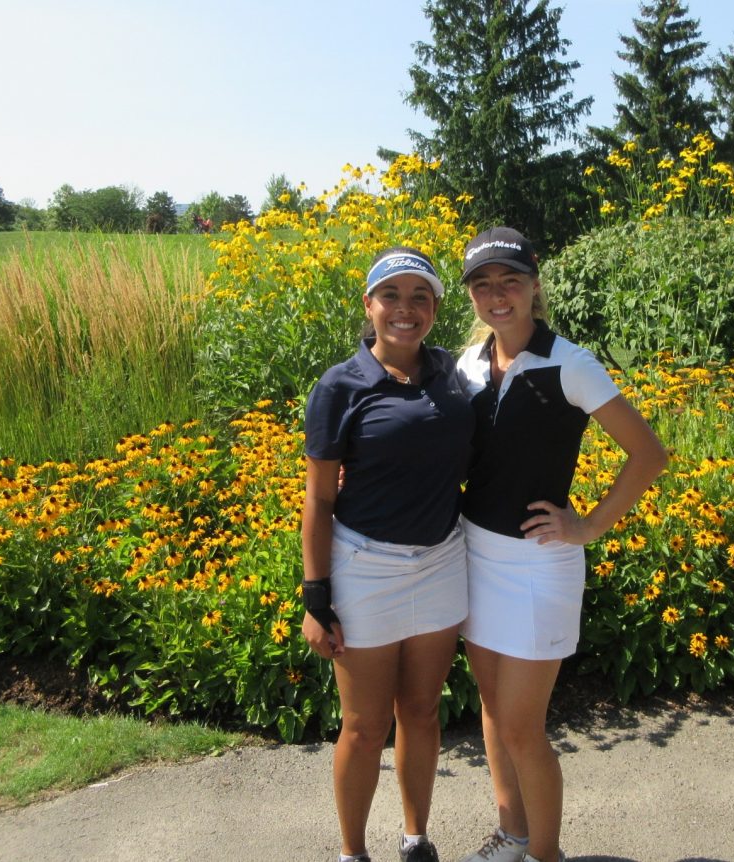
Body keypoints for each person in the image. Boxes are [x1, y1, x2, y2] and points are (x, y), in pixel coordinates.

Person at [455, 227, 668, 862]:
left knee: (523, 728)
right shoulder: (467, 365)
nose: (498, 295)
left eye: (510, 281)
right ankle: (512, 836)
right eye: (483, 284)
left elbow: (648, 454)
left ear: (533, 285)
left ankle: (545, 855)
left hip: (538, 567)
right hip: (473, 555)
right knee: (493, 711)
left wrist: (589, 525)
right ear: (471, 295)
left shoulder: (570, 363)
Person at [300, 246, 475, 862]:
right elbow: (319, 499)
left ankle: (415, 838)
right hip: (365, 568)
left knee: (422, 712)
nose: (406, 308)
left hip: (441, 562)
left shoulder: (451, 373)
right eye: (391, 296)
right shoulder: (339, 386)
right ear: (369, 305)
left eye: (420, 296)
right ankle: (352, 853)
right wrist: (316, 598)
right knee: (364, 726)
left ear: (435, 309)